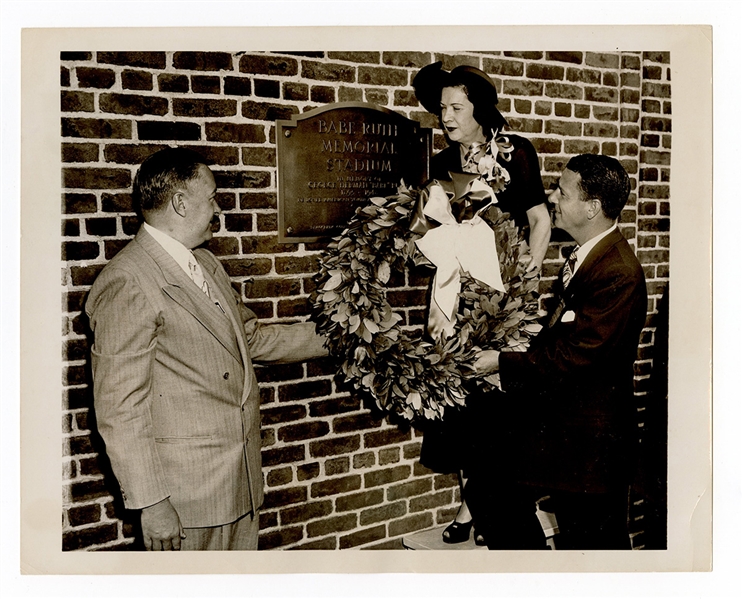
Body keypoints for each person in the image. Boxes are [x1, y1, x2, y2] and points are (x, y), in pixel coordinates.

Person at [85, 147, 328, 551]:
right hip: (185, 500)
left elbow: (248, 339)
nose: (218, 208)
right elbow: (119, 405)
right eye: (212, 196)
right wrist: (152, 503)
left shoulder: (205, 264)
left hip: (238, 484)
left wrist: (343, 338)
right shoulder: (128, 281)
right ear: (181, 203)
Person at [467, 154, 648, 550]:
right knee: (491, 493)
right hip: (565, 430)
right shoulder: (587, 255)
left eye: (562, 192)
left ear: (592, 207)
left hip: (591, 446)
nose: (552, 197)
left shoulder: (618, 272)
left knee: (595, 549)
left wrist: (501, 362)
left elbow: (576, 356)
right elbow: (558, 338)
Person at [411, 62, 551, 545]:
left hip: (505, 300)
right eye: (441, 108)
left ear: (479, 107)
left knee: (498, 411)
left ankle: (487, 508)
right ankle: (472, 504)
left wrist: (523, 283)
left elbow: (540, 219)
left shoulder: (516, 152)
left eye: (455, 107)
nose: (445, 116)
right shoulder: (442, 161)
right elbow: (435, 230)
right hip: (459, 297)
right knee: (463, 406)